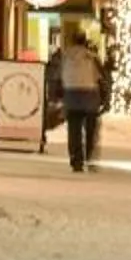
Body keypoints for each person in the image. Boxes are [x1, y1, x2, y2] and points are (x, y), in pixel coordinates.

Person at [52, 28, 104, 172]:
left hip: (72, 95)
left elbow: (57, 78)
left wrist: (57, 96)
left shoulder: (66, 56)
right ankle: (90, 157)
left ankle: (76, 160)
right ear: (85, 41)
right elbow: (101, 78)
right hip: (90, 96)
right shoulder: (92, 57)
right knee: (91, 130)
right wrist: (104, 99)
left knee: (74, 130)